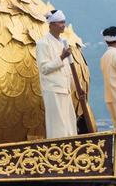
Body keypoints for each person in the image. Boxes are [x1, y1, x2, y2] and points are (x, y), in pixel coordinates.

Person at [34, 10, 81, 138]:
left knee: (69, 125)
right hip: (53, 90)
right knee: (58, 127)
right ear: (52, 25)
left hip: (65, 89)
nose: (63, 25)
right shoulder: (42, 43)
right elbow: (44, 68)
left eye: (63, 22)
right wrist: (61, 57)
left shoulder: (63, 42)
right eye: (60, 22)